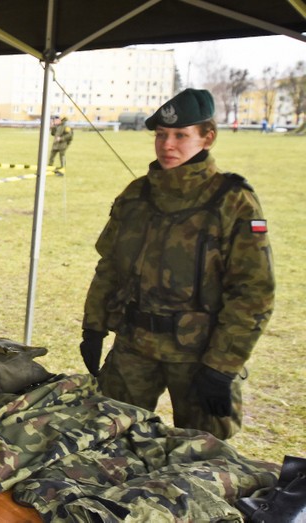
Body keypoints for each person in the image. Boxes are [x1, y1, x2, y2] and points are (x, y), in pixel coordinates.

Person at [79, 88, 274, 441]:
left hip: (199, 355)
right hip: (134, 346)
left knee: (202, 453)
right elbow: (109, 267)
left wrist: (222, 366)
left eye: (181, 135)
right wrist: (93, 327)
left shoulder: (232, 201)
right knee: (109, 440)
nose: (167, 145)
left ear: (207, 138)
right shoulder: (136, 195)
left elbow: (253, 293)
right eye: (161, 134)